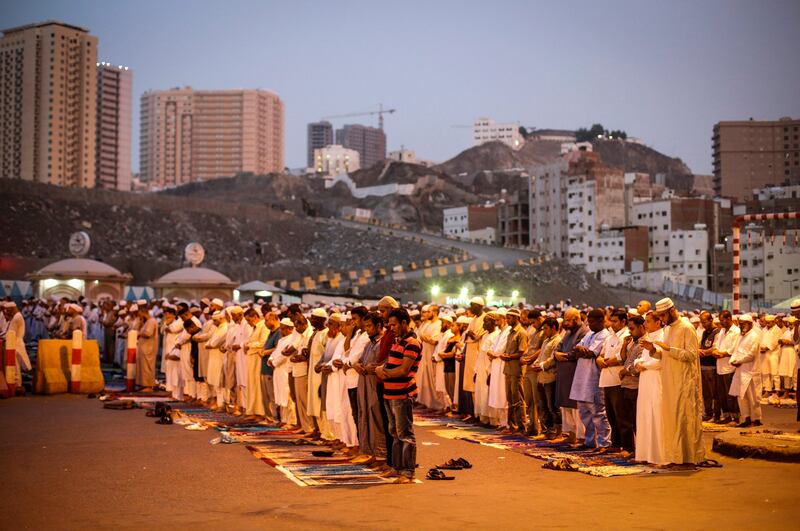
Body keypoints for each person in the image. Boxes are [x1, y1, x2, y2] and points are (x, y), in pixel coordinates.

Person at [644, 298, 704, 465]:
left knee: (685, 419)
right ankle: (674, 457)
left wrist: (668, 348)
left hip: (684, 381)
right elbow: (664, 356)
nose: (662, 319)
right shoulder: (668, 329)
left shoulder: (686, 327)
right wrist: (653, 351)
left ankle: (689, 458)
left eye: (663, 315)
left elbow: (691, 355)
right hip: (669, 380)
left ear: (671, 311)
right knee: (671, 420)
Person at [376, 308, 421, 483]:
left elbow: (403, 370)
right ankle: (396, 468)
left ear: (404, 322)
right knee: (394, 432)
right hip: (390, 393)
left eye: (394, 324)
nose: (391, 327)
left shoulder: (412, 343)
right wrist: (383, 370)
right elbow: (391, 364)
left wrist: (383, 372)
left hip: (402, 394)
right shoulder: (397, 340)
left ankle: (408, 472)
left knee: (405, 434)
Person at [569, 309, 612, 449]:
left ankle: (603, 444)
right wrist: (581, 350)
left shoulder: (605, 335)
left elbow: (590, 353)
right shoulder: (589, 333)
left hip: (593, 378)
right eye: (588, 321)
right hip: (581, 378)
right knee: (584, 413)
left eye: (592, 322)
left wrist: (582, 350)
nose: (589, 324)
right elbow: (577, 349)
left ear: (601, 321)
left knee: (598, 414)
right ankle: (589, 442)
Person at [353, 312, 388, 466]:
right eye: (365, 326)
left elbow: (384, 363)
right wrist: (358, 365)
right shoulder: (369, 343)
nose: (366, 329)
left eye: (369, 326)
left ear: (379, 326)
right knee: (365, 416)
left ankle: (381, 456)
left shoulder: (382, 342)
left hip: (374, 384)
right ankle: (370, 453)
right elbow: (360, 360)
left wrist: (367, 368)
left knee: (376, 418)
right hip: (364, 383)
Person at [634, 311, 666, 465]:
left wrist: (643, 365)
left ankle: (658, 455)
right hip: (645, 380)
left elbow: (661, 361)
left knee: (656, 415)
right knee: (644, 415)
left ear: (658, 322)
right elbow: (641, 357)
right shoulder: (648, 337)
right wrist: (637, 363)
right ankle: (646, 454)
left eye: (648, 321)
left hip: (656, 380)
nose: (645, 324)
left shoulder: (663, 337)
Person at [553, 308, 588, 443]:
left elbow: (577, 351)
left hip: (574, 373)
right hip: (564, 373)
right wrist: (556, 354)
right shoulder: (567, 333)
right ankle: (570, 434)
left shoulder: (583, 332)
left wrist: (565, 356)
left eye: (568, 320)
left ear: (576, 319)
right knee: (565, 406)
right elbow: (558, 347)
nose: (565, 323)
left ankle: (580, 436)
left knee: (576, 407)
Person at [596, 309, 629, 451]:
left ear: (623, 321)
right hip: (606, 379)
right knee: (611, 415)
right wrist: (600, 360)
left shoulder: (626, 336)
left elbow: (622, 357)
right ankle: (615, 445)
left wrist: (608, 362)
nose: (612, 324)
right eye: (611, 320)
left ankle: (627, 446)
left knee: (621, 416)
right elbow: (601, 355)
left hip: (617, 380)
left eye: (615, 321)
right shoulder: (610, 337)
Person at [617, 315, 644, 456]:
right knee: (625, 419)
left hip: (636, 385)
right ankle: (628, 448)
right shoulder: (632, 343)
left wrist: (625, 371)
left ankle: (639, 449)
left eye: (632, 329)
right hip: (625, 385)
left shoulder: (644, 344)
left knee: (635, 420)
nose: (630, 331)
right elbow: (624, 359)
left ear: (641, 327)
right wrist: (623, 345)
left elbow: (637, 367)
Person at [729, 314, 763, 427]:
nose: (741, 326)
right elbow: (736, 351)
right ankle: (746, 419)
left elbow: (751, 355)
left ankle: (756, 419)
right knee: (741, 396)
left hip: (751, 371)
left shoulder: (754, 336)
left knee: (753, 397)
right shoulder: (741, 336)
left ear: (750, 324)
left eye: (743, 324)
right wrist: (733, 360)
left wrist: (739, 361)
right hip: (740, 371)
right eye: (740, 324)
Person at [501, 308, 528, 434]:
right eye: (506, 317)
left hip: (516, 369)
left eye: (509, 317)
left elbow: (522, 352)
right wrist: (505, 355)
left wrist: (509, 356)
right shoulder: (510, 332)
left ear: (516, 318)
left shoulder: (521, 333)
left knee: (518, 399)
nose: (507, 320)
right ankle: (512, 426)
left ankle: (521, 426)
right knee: (510, 398)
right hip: (508, 369)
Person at [711, 310, 740, 424]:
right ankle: (727, 416)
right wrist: (715, 352)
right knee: (722, 394)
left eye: (722, 320)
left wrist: (723, 353)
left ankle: (735, 417)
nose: (721, 323)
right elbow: (716, 345)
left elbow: (734, 349)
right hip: (720, 366)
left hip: (730, 367)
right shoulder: (722, 331)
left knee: (731, 394)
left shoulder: (736, 331)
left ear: (729, 319)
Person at [135, 304, 158, 392]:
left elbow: (148, 333)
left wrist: (139, 334)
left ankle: (148, 386)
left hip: (148, 348)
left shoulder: (151, 321)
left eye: (139, 313)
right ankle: (143, 385)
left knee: (147, 367)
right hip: (144, 347)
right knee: (143, 367)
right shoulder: (147, 321)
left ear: (142, 312)